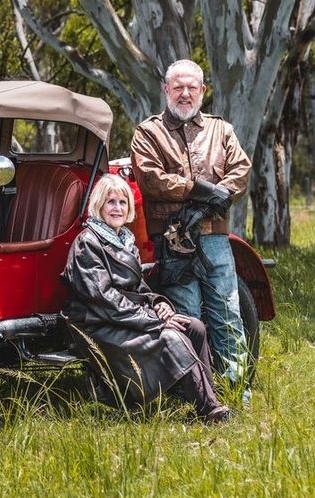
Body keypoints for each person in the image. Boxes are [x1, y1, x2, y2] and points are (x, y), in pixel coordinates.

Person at [130, 59, 252, 401]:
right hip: (173, 240)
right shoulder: (148, 132)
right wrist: (201, 191)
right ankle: (197, 396)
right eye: (178, 87)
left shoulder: (221, 130)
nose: (185, 94)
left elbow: (240, 169)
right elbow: (151, 178)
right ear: (166, 90)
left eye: (191, 87)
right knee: (186, 317)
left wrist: (219, 193)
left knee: (227, 313)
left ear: (202, 91)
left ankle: (236, 391)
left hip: (214, 238)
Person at [61, 174, 228, 421]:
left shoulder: (124, 241)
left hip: (125, 316)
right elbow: (104, 299)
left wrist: (157, 304)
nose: (117, 208)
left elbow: (138, 289)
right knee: (171, 336)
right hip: (98, 323)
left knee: (194, 327)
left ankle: (207, 396)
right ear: (99, 205)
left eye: (122, 202)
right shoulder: (88, 243)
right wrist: (156, 322)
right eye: (110, 202)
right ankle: (207, 410)